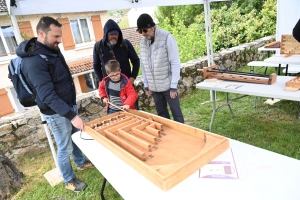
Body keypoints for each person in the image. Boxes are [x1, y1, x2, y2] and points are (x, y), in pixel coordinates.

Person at [16, 16, 93, 192]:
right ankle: (69, 180)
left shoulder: (51, 49)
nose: (60, 40)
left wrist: (72, 107)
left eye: (60, 36)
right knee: (64, 146)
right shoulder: (34, 60)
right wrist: (72, 116)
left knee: (74, 138)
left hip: (67, 105)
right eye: (56, 37)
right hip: (54, 112)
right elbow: (47, 95)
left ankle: (80, 162)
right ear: (41, 33)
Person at [136, 13, 184, 123]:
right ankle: (168, 136)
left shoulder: (167, 37)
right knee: (162, 115)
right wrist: (147, 84)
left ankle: (184, 137)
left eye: (145, 30)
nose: (143, 33)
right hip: (154, 88)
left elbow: (175, 62)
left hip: (168, 86)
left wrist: (173, 86)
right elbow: (144, 65)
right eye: (140, 31)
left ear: (152, 27)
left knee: (176, 113)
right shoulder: (142, 43)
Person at [93, 19, 140, 109]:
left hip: (127, 85)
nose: (114, 36)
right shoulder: (98, 46)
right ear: (106, 34)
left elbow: (136, 60)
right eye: (111, 34)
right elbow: (96, 66)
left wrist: (132, 78)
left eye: (116, 34)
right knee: (115, 112)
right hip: (110, 89)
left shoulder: (125, 43)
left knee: (133, 110)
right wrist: (102, 81)